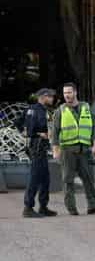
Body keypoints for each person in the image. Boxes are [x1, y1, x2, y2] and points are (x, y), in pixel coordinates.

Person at [52, 82, 95, 216]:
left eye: (69, 92)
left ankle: (93, 206)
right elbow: (55, 131)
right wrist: (55, 150)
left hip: (85, 150)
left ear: (75, 92)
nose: (67, 95)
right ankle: (72, 208)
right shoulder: (60, 110)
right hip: (68, 151)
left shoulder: (86, 108)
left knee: (89, 179)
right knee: (68, 180)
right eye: (65, 93)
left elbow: (94, 127)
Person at [23, 88, 58, 218]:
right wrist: (38, 134)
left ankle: (43, 207)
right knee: (34, 177)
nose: (52, 99)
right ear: (43, 97)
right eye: (50, 96)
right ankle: (28, 207)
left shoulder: (44, 110)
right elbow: (28, 129)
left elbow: (19, 123)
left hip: (42, 148)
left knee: (45, 179)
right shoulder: (34, 110)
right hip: (37, 147)